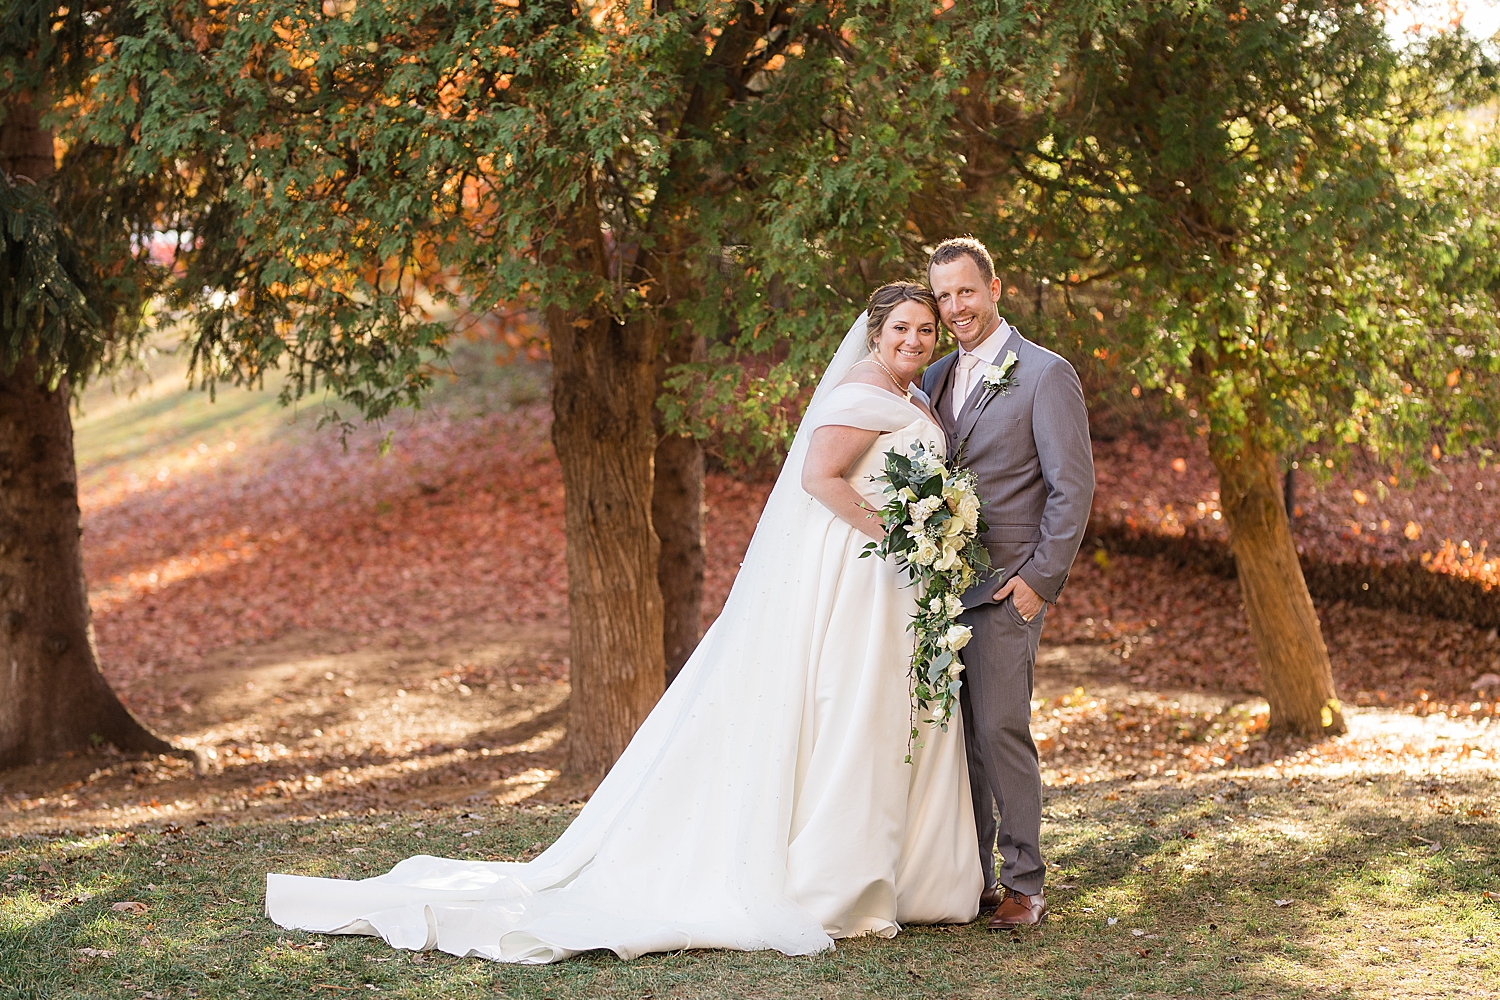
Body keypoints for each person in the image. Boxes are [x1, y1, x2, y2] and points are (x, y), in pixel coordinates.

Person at [265, 282, 983, 963]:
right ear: (875, 330)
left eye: (925, 329)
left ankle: (901, 873)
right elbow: (818, 479)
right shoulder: (862, 392)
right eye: (902, 328)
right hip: (860, 570)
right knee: (850, 710)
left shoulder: (908, 391)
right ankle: (839, 881)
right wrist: (891, 533)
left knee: (886, 711)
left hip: (891, 581)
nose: (916, 339)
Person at [922, 237, 1095, 930]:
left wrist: (1039, 582)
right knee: (956, 740)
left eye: (966, 291)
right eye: (943, 296)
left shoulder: (1046, 374)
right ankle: (973, 877)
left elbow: (1072, 488)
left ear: (996, 289)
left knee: (1000, 729)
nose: (955, 307)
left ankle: (1025, 883)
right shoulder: (931, 376)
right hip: (941, 590)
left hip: (1008, 587)